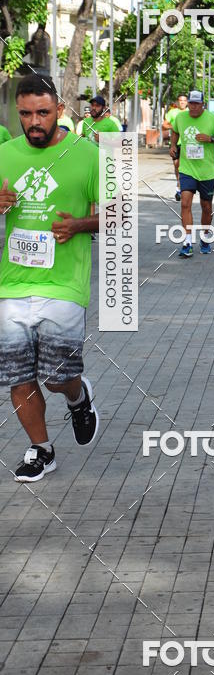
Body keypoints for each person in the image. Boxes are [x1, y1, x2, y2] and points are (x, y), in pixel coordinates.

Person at [0, 75, 100, 482]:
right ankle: (41, 449)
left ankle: (77, 397)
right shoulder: (4, 154)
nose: (34, 121)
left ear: (60, 110)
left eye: (43, 112)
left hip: (64, 285)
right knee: (17, 375)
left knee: (57, 377)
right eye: (26, 114)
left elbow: (120, 214)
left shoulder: (89, 155)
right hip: (12, 284)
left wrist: (79, 224)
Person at [169, 91, 214, 257]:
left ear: (203, 104)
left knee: (206, 207)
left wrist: (210, 139)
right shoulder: (180, 118)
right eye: (191, 103)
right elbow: (174, 131)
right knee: (185, 204)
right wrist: (173, 145)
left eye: (197, 104)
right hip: (187, 169)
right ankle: (187, 242)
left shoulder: (212, 118)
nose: (193, 107)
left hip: (206, 172)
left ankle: (205, 237)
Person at [162, 95, 188, 201]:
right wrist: (174, 127)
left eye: (184, 101)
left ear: (187, 102)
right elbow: (164, 125)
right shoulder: (172, 112)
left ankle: (182, 188)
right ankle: (179, 184)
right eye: (180, 101)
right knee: (177, 165)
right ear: (177, 102)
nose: (182, 102)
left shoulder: (190, 112)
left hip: (187, 143)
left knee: (184, 166)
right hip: (175, 142)